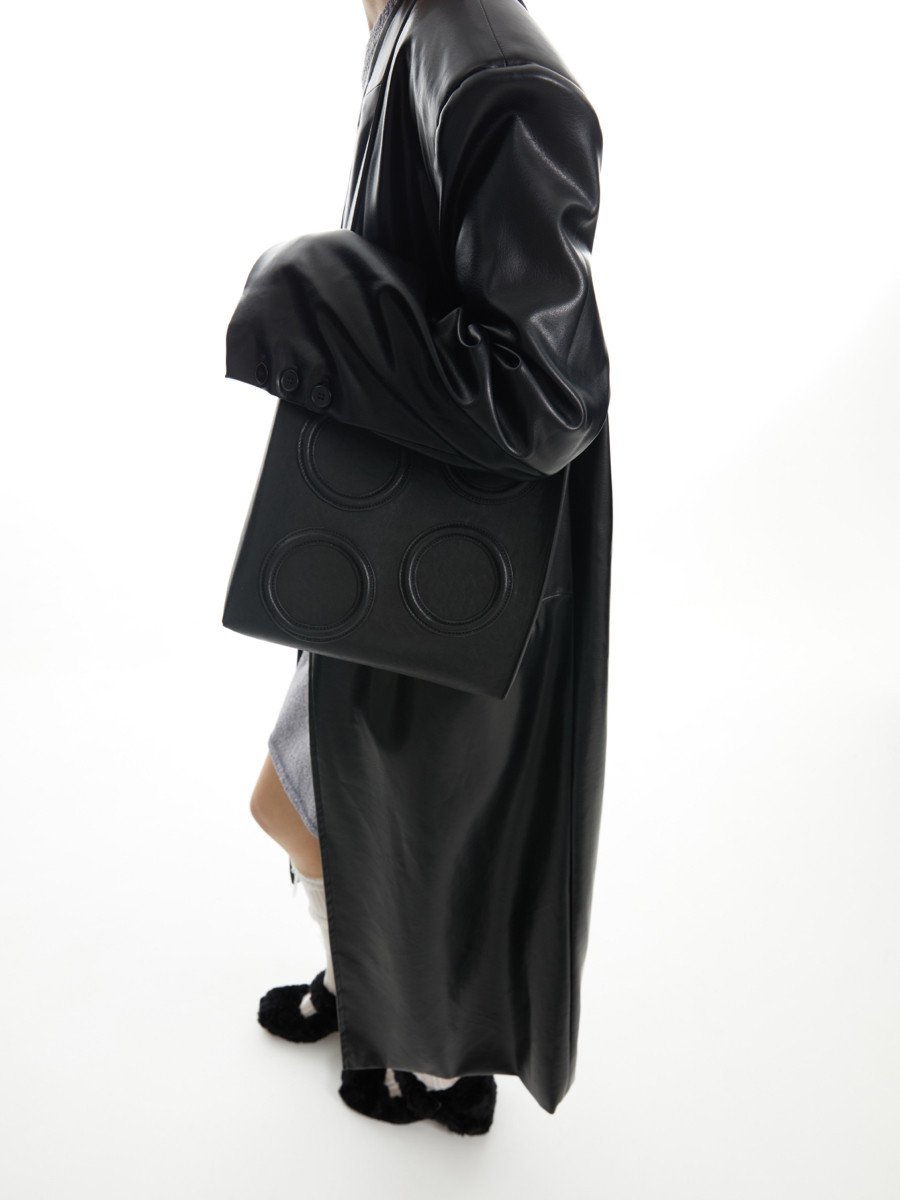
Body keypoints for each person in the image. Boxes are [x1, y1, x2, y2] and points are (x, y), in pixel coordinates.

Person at [227, 0, 612, 1135]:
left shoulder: (496, 73)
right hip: (408, 530)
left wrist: (320, 297)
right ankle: (377, 999)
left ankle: (421, 1056)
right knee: (359, 806)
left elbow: (542, 396)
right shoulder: (419, 31)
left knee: (400, 815)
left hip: (461, 552)